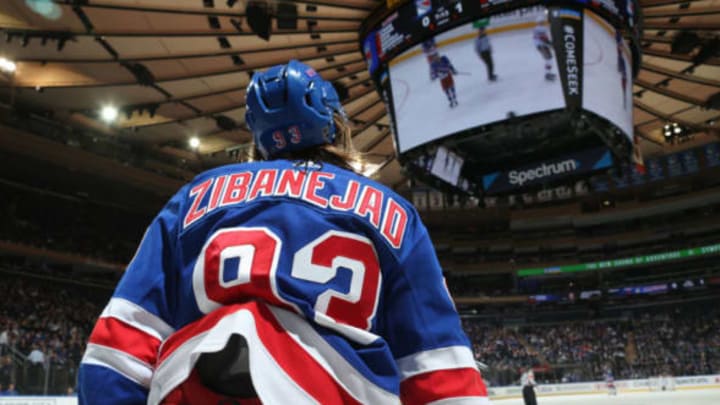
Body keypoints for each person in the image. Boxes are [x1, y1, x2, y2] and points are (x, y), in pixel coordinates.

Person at [78, 60, 488, 405]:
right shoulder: (390, 211)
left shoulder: (193, 198)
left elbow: (119, 348)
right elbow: (439, 368)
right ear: (335, 127)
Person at [533, 15, 556, 81]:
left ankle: (548, 73)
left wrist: (550, 44)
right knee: (549, 59)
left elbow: (544, 38)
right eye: (542, 22)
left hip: (541, 45)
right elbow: (543, 38)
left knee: (549, 59)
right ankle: (547, 74)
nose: (543, 22)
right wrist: (551, 44)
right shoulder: (540, 28)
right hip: (542, 46)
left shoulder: (538, 28)